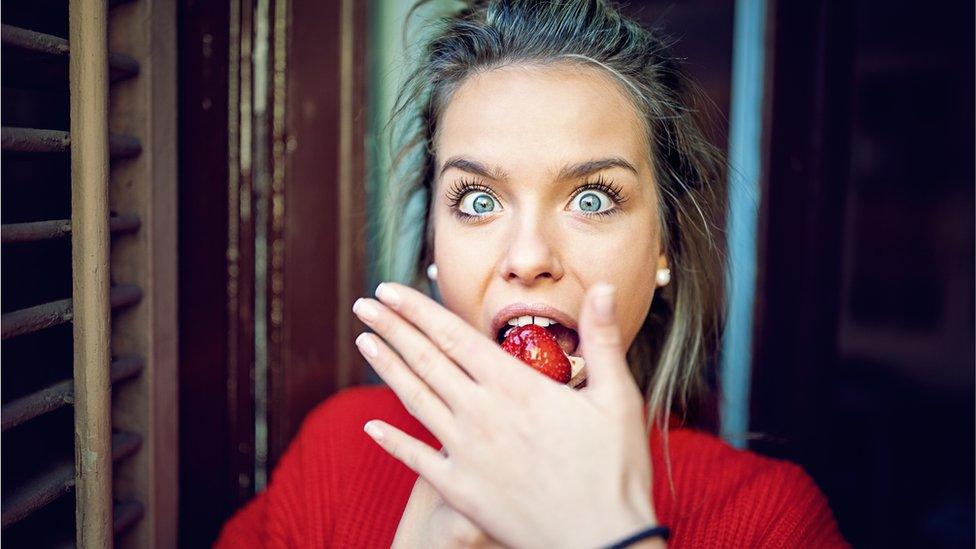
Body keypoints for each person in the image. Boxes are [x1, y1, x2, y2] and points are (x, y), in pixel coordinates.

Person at [216, 0, 849, 546]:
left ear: (663, 246)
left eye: (593, 199)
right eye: (479, 201)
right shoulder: (338, 455)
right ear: (434, 242)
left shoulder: (771, 520)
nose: (527, 258)